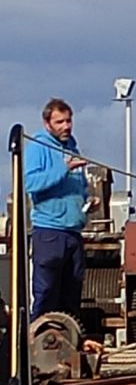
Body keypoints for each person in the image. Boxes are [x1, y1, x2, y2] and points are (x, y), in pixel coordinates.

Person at [22, 98, 94, 322]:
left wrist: (88, 200)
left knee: (71, 296)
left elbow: (77, 184)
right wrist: (63, 168)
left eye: (69, 121)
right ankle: (38, 342)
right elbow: (30, 183)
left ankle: (68, 342)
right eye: (60, 122)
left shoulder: (73, 147)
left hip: (73, 233)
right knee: (46, 292)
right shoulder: (38, 147)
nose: (66, 126)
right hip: (49, 232)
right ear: (47, 124)